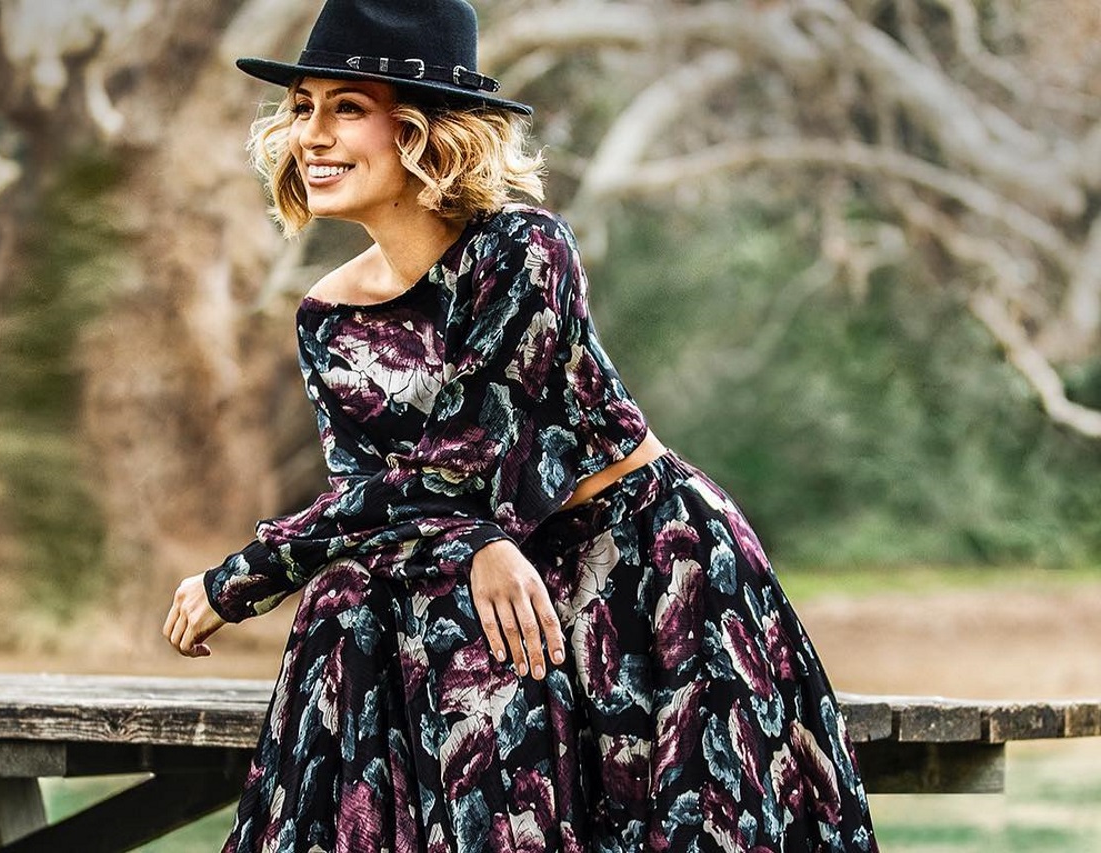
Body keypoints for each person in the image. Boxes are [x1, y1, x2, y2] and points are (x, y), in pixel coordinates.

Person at [163, 1, 879, 850]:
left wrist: (241, 578)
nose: (310, 134)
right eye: (302, 106)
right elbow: (376, 500)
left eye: (346, 107)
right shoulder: (328, 315)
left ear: (426, 130)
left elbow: (460, 462)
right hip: (494, 585)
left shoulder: (524, 249)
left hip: (642, 566)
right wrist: (475, 545)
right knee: (343, 597)